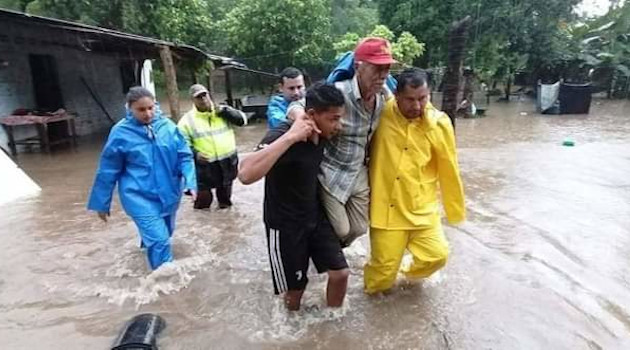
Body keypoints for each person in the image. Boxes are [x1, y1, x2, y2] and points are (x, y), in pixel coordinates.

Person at [238, 83, 349, 311]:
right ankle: (292, 328)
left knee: (341, 273)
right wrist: (291, 137)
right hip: (285, 224)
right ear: (312, 115)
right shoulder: (282, 133)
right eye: (333, 119)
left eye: (340, 118)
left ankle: (333, 323)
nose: (339, 126)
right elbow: (245, 174)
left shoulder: (323, 130)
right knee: (296, 290)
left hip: (314, 216)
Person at [363, 68, 466, 294]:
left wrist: (455, 209)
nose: (417, 106)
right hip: (386, 209)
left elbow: (450, 168)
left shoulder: (439, 123)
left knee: (437, 256)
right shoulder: (380, 113)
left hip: (422, 208)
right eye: (410, 99)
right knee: (381, 279)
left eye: (423, 98)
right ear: (396, 95)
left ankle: (407, 277)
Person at [288, 37, 395, 247]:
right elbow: (297, 105)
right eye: (377, 68)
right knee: (341, 229)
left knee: (359, 228)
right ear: (358, 66)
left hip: (359, 171)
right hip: (332, 171)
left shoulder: (384, 97)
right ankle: (323, 249)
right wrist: (302, 120)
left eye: (387, 69)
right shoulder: (339, 91)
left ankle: (332, 251)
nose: (382, 75)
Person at [87, 87, 197, 270]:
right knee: (160, 240)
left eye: (150, 108)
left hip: (169, 193)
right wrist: (101, 203)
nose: (148, 113)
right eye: (141, 110)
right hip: (137, 196)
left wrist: (191, 182)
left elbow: (184, 156)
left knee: (165, 234)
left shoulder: (168, 127)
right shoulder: (121, 132)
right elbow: (108, 169)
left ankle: (145, 259)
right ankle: (165, 284)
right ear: (130, 108)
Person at [177, 84, 247, 210]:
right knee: (203, 202)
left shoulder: (223, 111)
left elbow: (242, 121)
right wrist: (195, 154)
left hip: (227, 163)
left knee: (225, 202)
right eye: (199, 97)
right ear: (193, 100)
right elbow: (181, 145)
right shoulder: (187, 121)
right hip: (204, 167)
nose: (203, 99)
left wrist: (227, 112)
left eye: (205, 95)